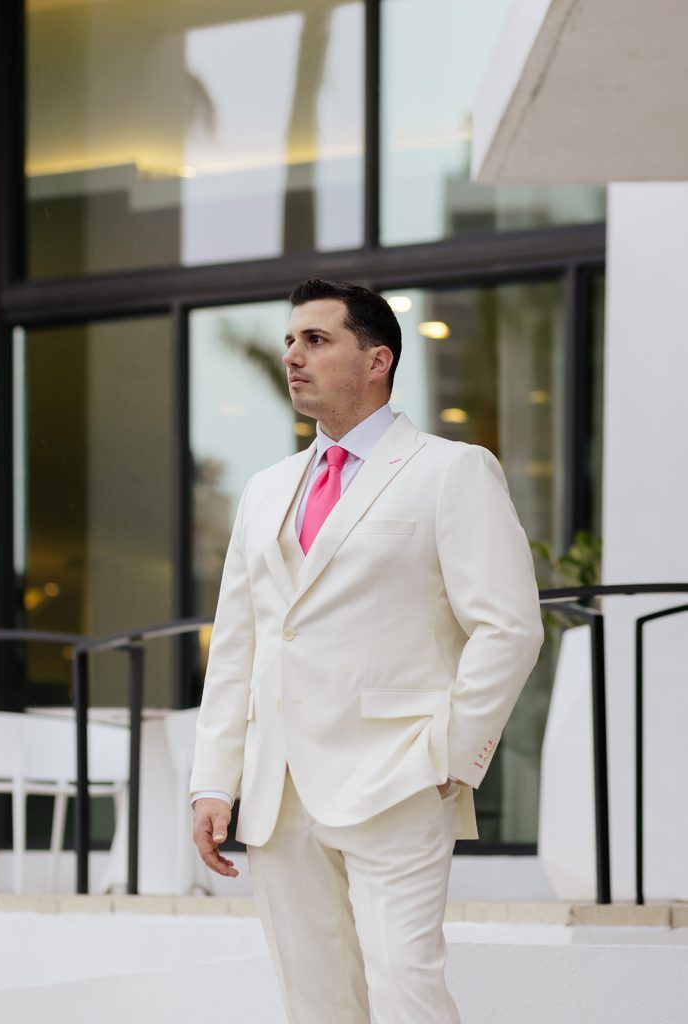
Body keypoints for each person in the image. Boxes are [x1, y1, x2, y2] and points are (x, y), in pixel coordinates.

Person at [190, 278, 544, 1023]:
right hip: (280, 792)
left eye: (316, 340)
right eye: (289, 341)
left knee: (406, 988)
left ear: (377, 359)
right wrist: (213, 783)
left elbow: (509, 626)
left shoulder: (451, 470)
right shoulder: (265, 491)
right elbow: (239, 646)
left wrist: (450, 754)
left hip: (399, 776)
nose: (292, 356)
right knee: (315, 1002)